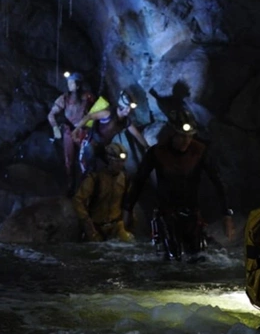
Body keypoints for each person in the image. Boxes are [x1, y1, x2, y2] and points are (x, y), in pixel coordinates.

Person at [122, 109, 234, 262]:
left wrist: (226, 214)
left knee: (198, 257)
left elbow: (218, 181)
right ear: (172, 133)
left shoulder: (199, 151)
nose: (186, 141)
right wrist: (128, 209)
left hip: (192, 212)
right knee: (174, 257)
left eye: (189, 136)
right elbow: (139, 180)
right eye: (181, 136)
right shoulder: (157, 152)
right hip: (167, 212)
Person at [47, 72, 110, 193]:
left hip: (83, 131)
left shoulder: (87, 97)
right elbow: (51, 115)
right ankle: (70, 181)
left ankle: (87, 184)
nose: (70, 85)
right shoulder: (64, 98)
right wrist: (55, 127)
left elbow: (99, 107)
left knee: (86, 158)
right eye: (69, 83)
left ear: (78, 85)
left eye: (72, 83)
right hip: (69, 131)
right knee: (68, 158)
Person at [72, 143, 134, 242]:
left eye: (122, 161)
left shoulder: (125, 179)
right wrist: (87, 223)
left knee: (129, 243)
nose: (120, 164)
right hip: (96, 227)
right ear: (109, 160)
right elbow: (78, 200)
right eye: (117, 161)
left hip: (117, 226)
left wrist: (129, 224)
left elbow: (128, 203)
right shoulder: (95, 178)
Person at [79, 90, 149, 174]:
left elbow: (137, 134)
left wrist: (147, 147)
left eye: (130, 109)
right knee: (89, 168)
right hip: (91, 142)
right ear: (121, 106)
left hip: (104, 146)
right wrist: (76, 130)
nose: (128, 111)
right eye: (127, 108)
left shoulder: (125, 121)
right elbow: (89, 116)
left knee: (116, 167)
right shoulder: (108, 114)